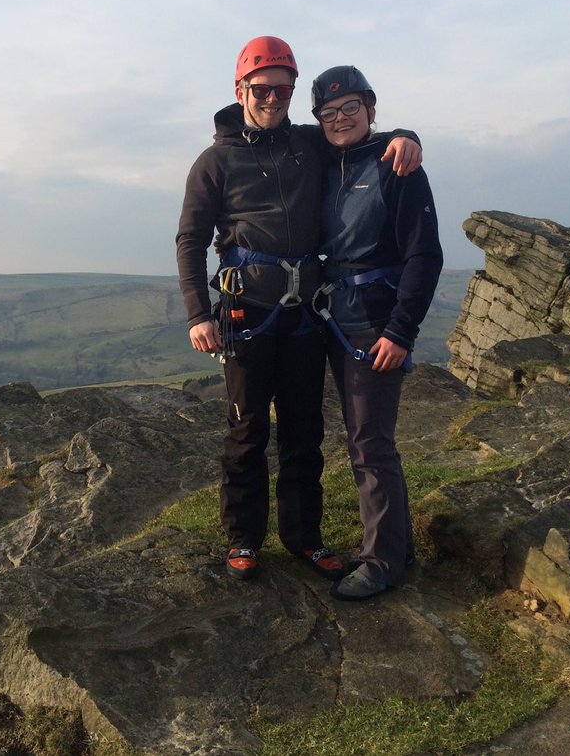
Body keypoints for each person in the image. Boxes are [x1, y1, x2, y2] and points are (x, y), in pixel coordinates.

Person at [176, 37, 422, 583]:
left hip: (306, 314)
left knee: (303, 431)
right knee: (245, 431)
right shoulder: (214, 161)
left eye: (283, 89)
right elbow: (189, 239)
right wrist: (198, 313)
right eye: (262, 88)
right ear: (241, 90)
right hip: (246, 312)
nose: (273, 98)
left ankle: (303, 537)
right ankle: (243, 537)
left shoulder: (307, 144)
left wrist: (406, 137)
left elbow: (357, 136)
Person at [308, 65, 443, 601]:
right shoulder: (326, 161)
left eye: (351, 110)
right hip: (332, 318)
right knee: (367, 440)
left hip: (375, 325)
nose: (341, 120)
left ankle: (382, 562)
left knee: (369, 443)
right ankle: (398, 545)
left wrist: (401, 331)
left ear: (370, 110)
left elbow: (424, 255)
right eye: (330, 114)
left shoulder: (395, 166)